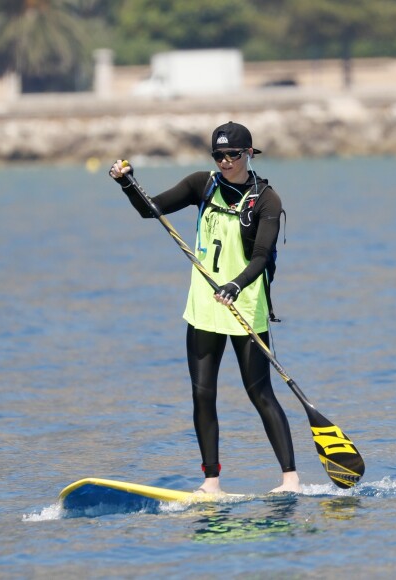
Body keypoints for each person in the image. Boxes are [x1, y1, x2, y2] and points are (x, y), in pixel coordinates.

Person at [109, 121, 301, 494]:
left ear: (248, 154)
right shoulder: (203, 184)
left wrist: (235, 284)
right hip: (203, 308)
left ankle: (289, 480)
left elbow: (261, 256)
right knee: (202, 393)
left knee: (260, 394)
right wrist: (127, 183)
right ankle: (211, 482)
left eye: (232, 155)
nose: (225, 161)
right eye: (219, 155)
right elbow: (152, 210)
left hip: (246, 306)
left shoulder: (267, 200)